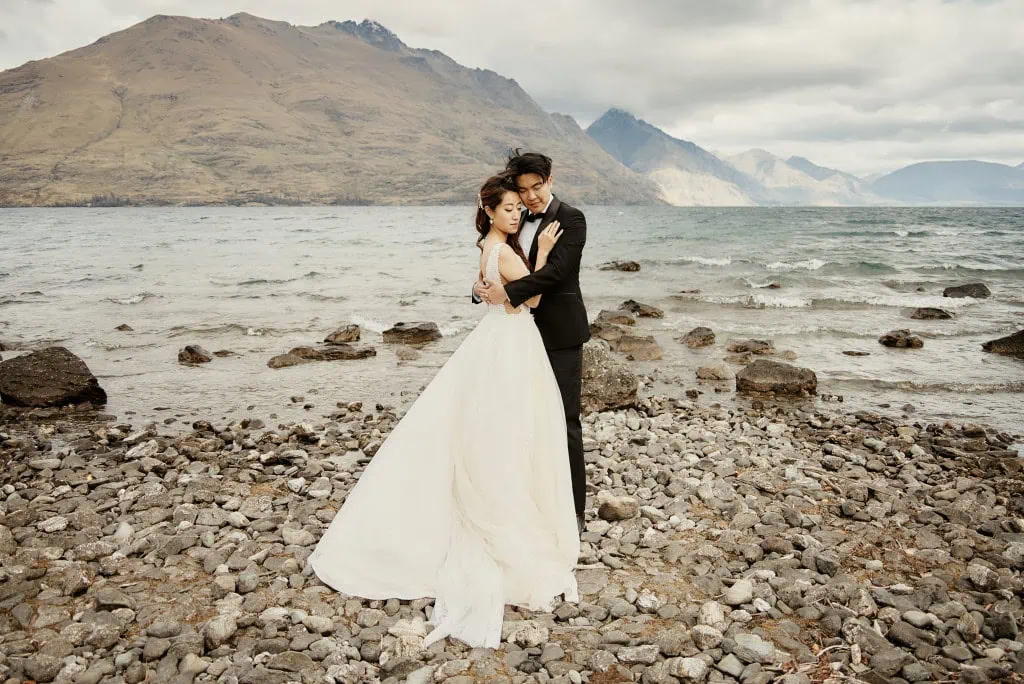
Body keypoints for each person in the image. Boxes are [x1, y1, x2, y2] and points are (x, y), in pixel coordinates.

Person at [308, 173, 579, 650]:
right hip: (512, 343)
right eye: (510, 207)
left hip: (502, 339)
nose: (518, 213)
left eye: (521, 206)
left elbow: (496, 289)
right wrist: (536, 259)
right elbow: (532, 296)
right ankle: (510, 507)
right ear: (491, 211)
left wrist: (493, 284)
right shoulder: (505, 249)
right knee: (512, 427)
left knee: (494, 425)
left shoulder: (490, 247)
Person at [475, 151, 591, 532]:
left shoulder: (572, 219)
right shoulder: (515, 220)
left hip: (558, 333)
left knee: (564, 420)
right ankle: (529, 503)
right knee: (521, 420)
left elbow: (557, 273)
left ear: (550, 181)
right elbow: (498, 267)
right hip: (518, 335)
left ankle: (574, 512)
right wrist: (479, 290)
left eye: (536, 187)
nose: (531, 197)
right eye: (523, 190)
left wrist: (505, 294)